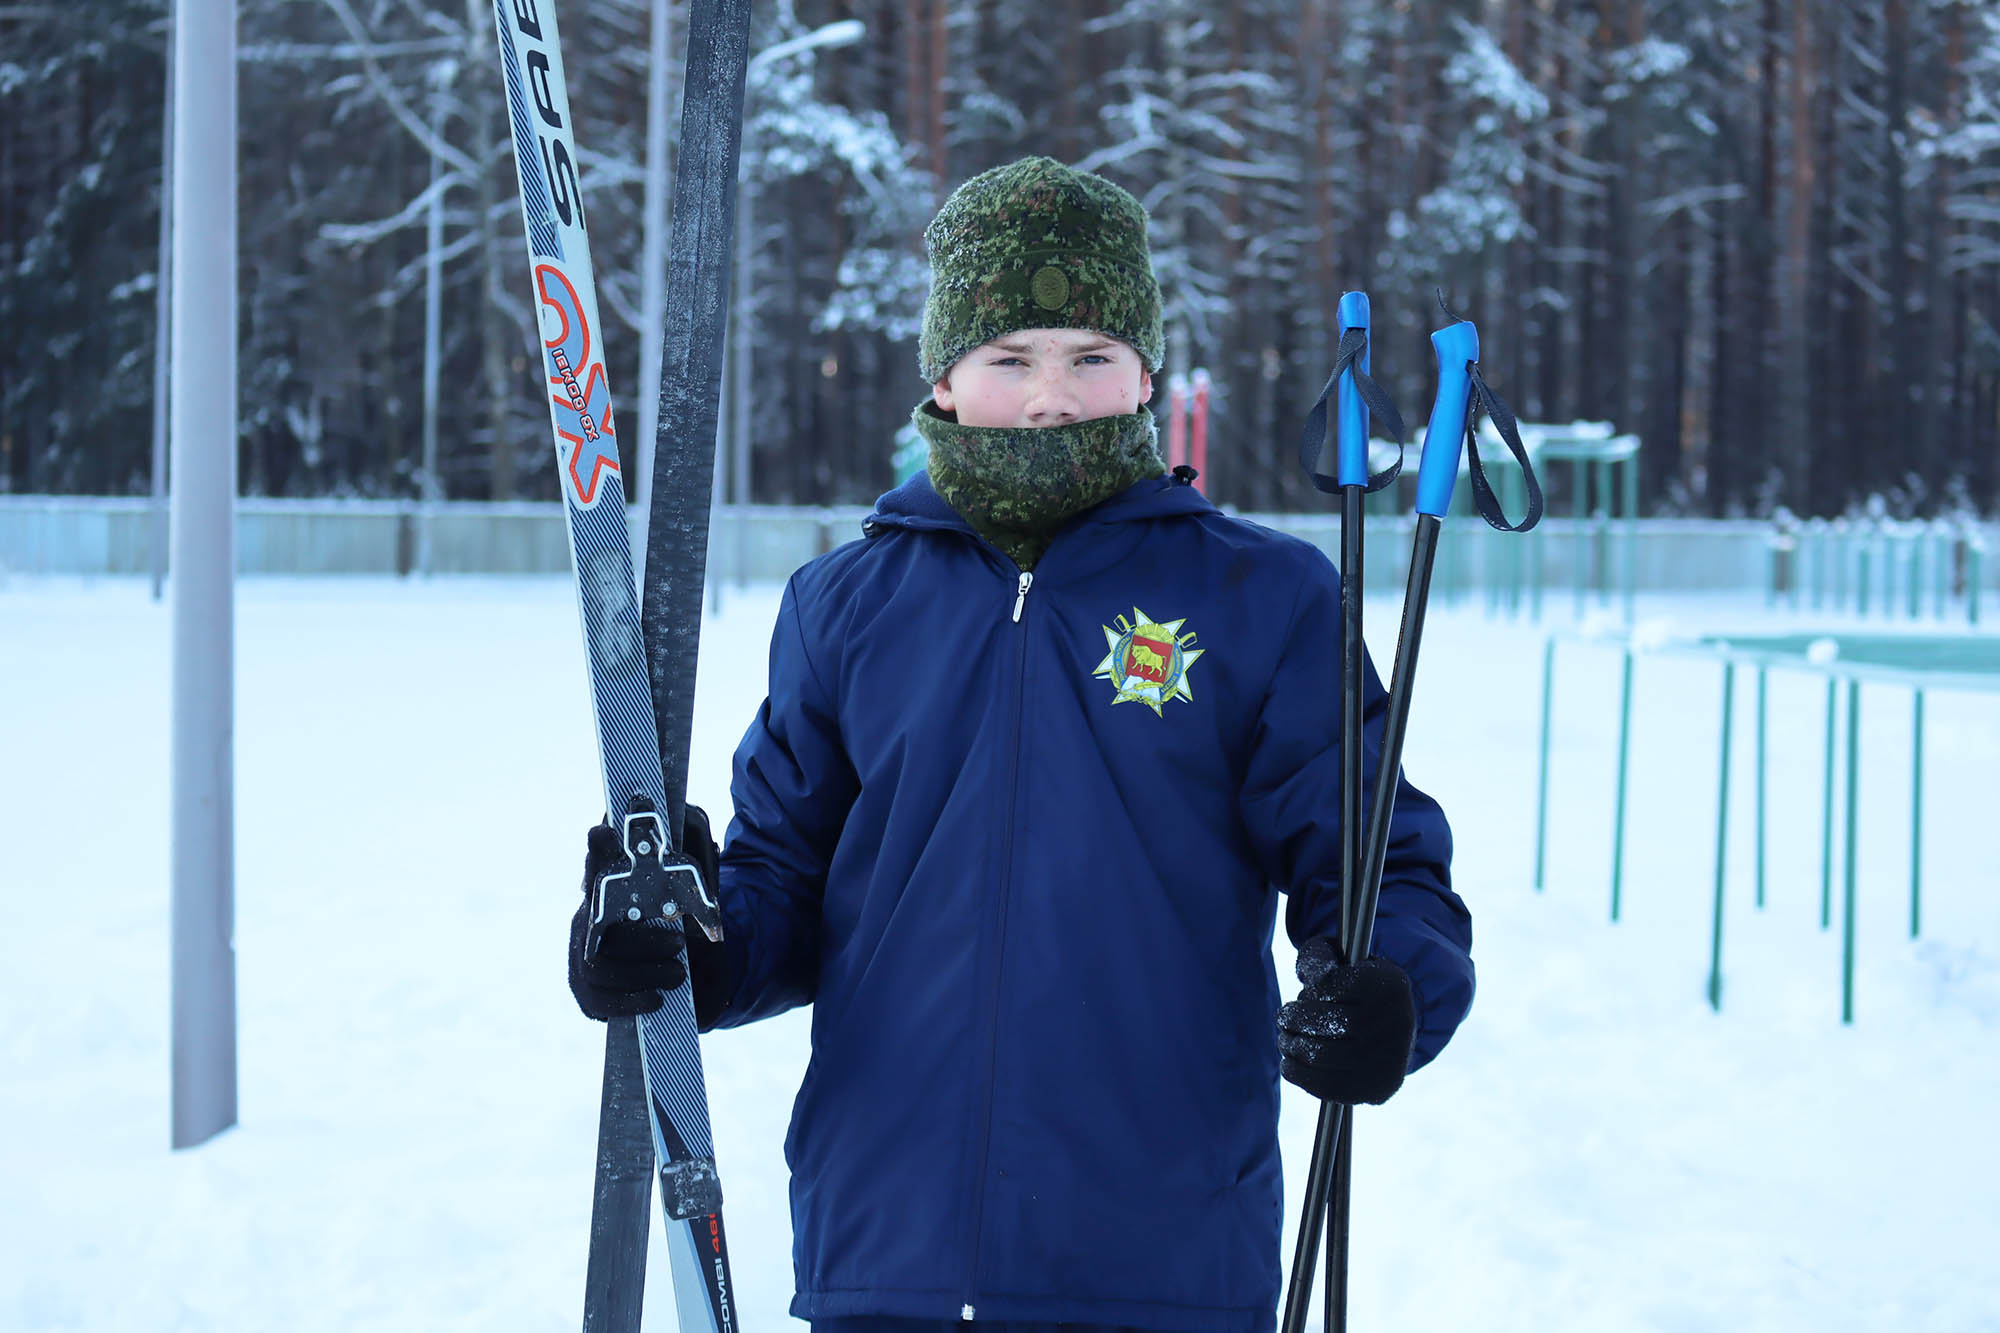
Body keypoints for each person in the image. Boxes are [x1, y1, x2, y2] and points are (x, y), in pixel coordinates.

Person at [568, 156, 1472, 1333]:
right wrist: (690, 950)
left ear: (1144, 370)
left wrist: (1391, 982)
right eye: (1008, 358)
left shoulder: (1261, 596)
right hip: (886, 1251)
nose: (1051, 397)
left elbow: (1372, 859)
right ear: (943, 376)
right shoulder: (845, 604)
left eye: (1090, 355)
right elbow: (781, 883)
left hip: (1162, 1260)